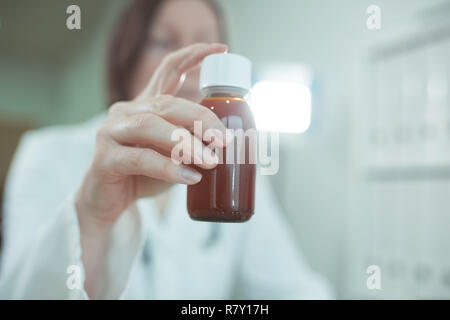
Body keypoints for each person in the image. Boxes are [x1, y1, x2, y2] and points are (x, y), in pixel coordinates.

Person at [0, 0, 333, 299]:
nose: (191, 66)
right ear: (125, 59)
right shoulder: (47, 154)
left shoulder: (236, 158)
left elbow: (297, 288)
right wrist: (92, 212)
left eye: (207, 49)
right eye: (163, 42)